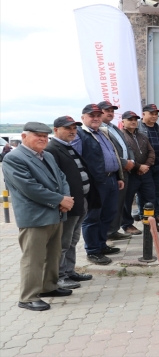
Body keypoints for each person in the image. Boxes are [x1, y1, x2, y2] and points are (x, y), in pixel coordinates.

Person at [3, 122, 75, 311]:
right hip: (35, 216)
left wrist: (65, 199)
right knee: (33, 258)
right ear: (24, 136)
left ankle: (48, 287)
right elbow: (29, 188)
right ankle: (27, 297)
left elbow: (62, 177)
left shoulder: (47, 155)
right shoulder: (14, 158)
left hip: (55, 213)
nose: (42, 139)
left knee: (53, 254)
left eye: (45, 136)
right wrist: (60, 199)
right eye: (37, 135)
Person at [45, 116, 99, 289]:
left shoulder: (68, 147)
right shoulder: (52, 149)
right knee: (62, 242)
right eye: (67, 128)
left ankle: (69, 271)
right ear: (55, 130)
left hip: (80, 201)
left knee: (73, 239)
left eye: (74, 128)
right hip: (67, 203)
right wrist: (62, 200)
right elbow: (53, 179)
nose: (72, 131)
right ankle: (59, 276)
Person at [71, 104, 124, 265]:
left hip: (111, 179)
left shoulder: (102, 132)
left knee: (108, 214)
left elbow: (113, 155)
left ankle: (101, 245)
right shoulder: (80, 134)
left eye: (97, 115)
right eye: (91, 115)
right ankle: (93, 250)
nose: (95, 118)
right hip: (95, 183)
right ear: (83, 118)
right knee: (93, 217)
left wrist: (118, 176)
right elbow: (75, 160)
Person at [120, 111, 159, 233]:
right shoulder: (121, 136)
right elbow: (123, 155)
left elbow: (151, 152)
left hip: (145, 173)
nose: (133, 121)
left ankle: (151, 223)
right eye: (130, 119)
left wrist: (146, 166)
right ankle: (127, 225)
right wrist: (138, 166)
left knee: (150, 198)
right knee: (127, 200)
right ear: (123, 121)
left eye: (135, 119)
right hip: (130, 173)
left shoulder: (142, 135)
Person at [98, 101, 135, 240]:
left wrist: (132, 161)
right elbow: (107, 152)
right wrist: (124, 162)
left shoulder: (114, 127)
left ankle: (113, 230)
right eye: (106, 110)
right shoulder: (99, 129)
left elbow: (127, 147)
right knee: (111, 204)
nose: (110, 113)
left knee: (119, 203)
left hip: (125, 171)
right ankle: (108, 232)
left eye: (112, 111)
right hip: (113, 171)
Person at [139, 104, 159, 225]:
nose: (154, 116)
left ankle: (155, 214)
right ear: (144, 114)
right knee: (145, 193)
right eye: (151, 113)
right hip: (145, 166)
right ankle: (145, 217)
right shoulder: (138, 127)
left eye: (156, 114)